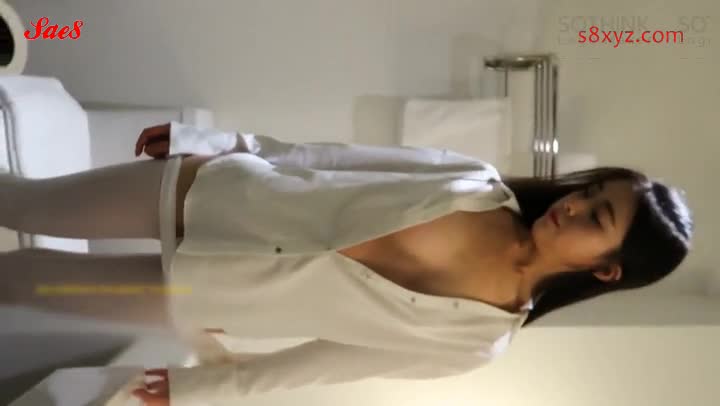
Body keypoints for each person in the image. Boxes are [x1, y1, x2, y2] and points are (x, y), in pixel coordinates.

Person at [0, 122, 693, 406]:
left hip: (204, 294)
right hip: (209, 193)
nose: (572, 206)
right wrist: (214, 138)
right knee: (21, 203)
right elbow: (329, 158)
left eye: (596, 218)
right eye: (590, 193)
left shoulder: (474, 341)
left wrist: (197, 389)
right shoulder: (475, 181)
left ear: (607, 270)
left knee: (25, 283)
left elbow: (326, 362)